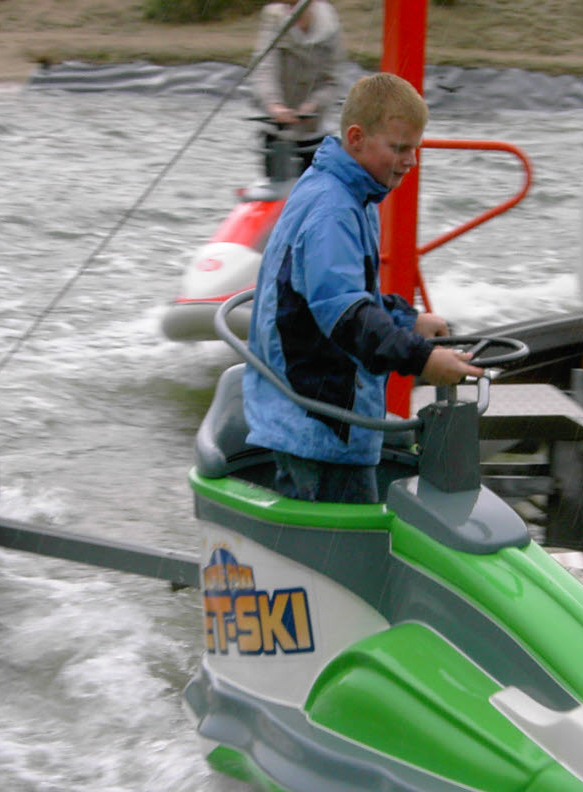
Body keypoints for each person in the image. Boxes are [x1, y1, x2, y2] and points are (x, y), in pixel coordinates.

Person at [242, 72, 483, 504]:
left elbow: (338, 295)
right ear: (356, 138)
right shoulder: (333, 211)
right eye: (399, 148)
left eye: (415, 148)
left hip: (321, 422)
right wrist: (423, 359)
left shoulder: (348, 192)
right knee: (339, 543)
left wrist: (408, 320)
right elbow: (348, 318)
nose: (411, 161)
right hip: (318, 430)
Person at [249, 1, 343, 180]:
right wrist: (274, 105)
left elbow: (332, 81)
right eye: (288, 7)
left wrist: (313, 105)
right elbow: (265, 68)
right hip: (276, 132)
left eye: (297, 6)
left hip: (315, 133)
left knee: (316, 187)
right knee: (275, 185)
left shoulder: (329, 26)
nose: (292, 12)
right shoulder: (273, 19)